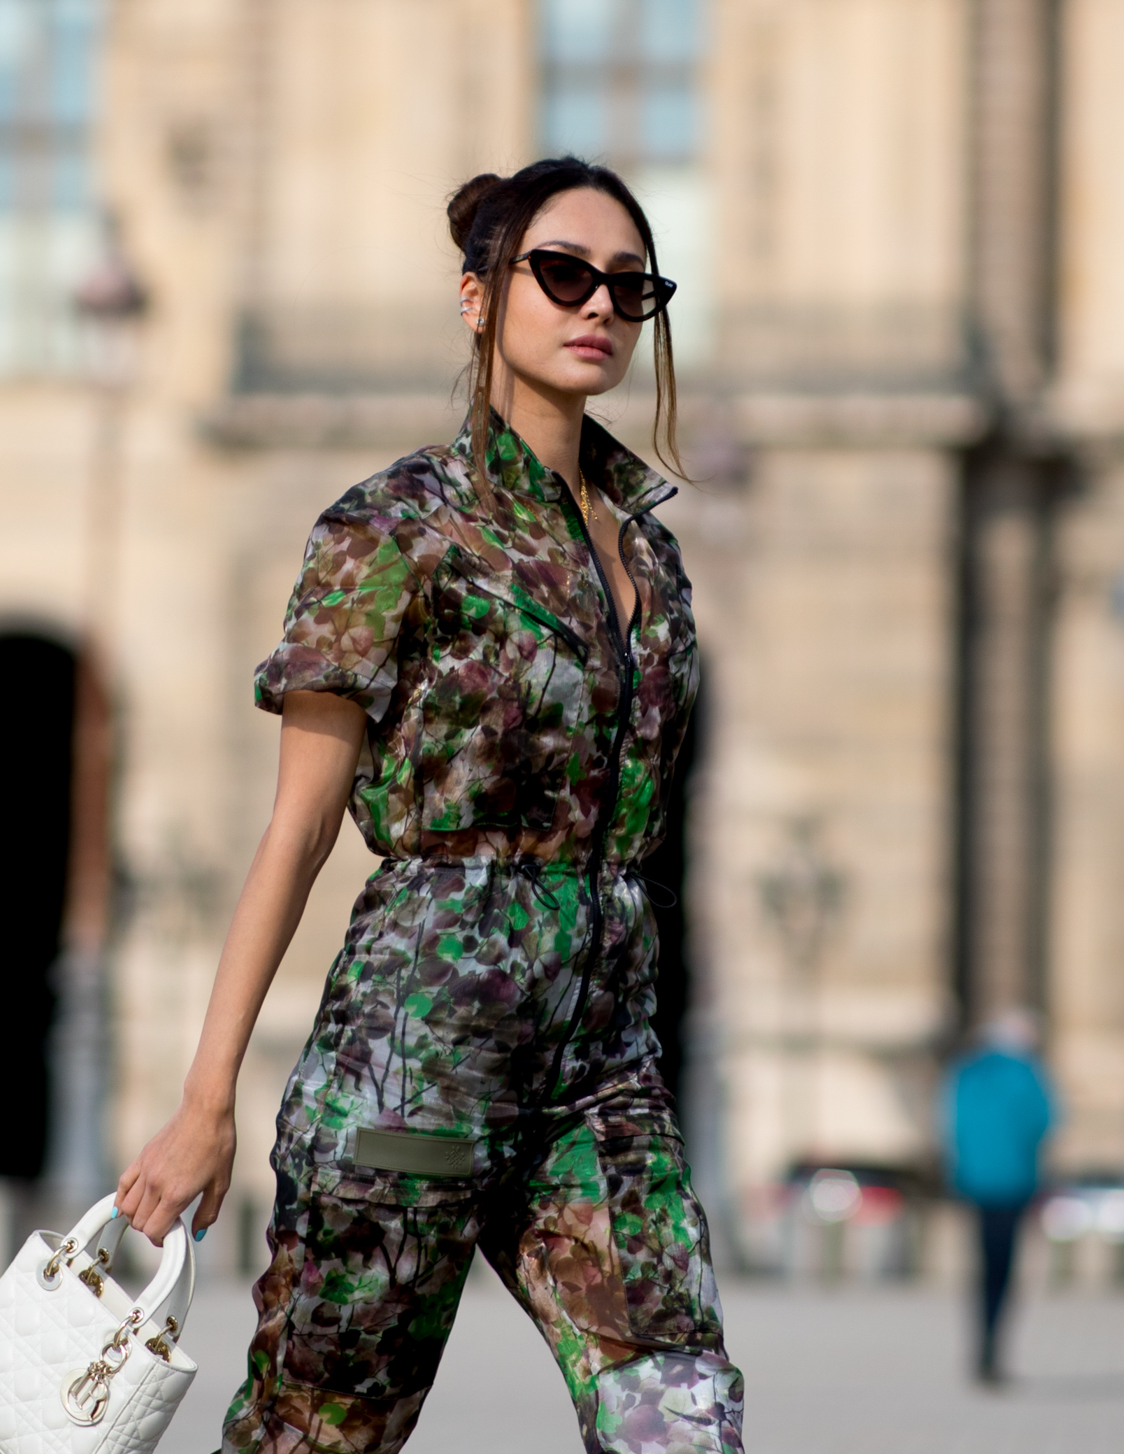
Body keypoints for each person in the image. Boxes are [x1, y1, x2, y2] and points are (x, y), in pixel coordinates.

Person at [113, 157, 740, 1452]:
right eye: (562, 275)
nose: (600, 309)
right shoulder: (395, 529)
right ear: (478, 298)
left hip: (603, 1079)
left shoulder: (655, 557)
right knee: (320, 1433)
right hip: (415, 1074)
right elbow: (292, 834)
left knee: (681, 1422)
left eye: (631, 287)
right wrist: (206, 1097)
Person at [945, 1008, 1053, 1387]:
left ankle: (981, 1347)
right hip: (1014, 1182)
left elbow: (948, 1124)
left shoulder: (966, 1072)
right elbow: (1046, 1121)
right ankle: (994, 1349)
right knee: (1003, 1269)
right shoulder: (1026, 1073)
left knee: (981, 1267)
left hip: (974, 1182)